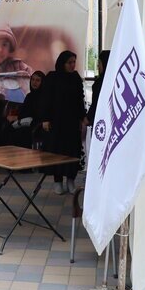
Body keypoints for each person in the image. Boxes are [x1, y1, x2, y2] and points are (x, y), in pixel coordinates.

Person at [40, 51, 86, 195]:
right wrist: (45, 119)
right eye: (69, 62)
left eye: (74, 62)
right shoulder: (52, 77)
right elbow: (46, 99)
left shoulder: (76, 78)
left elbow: (80, 100)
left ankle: (71, 180)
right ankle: (58, 181)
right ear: (62, 63)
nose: (72, 65)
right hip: (56, 122)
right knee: (57, 151)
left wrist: (81, 117)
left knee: (72, 151)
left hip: (71, 122)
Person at [1, 71, 46, 148]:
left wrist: (17, 117)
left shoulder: (44, 97)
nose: (34, 82)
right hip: (25, 120)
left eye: (38, 80)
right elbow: (24, 110)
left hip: (35, 123)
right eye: (33, 79)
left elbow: (36, 113)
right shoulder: (29, 96)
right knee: (7, 128)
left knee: (15, 131)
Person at [87, 50, 111, 123]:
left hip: (101, 119)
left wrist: (88, 118)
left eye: (99, 63)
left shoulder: (100, 82)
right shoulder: (116, 79)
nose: (98, 66)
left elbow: (96, 103)